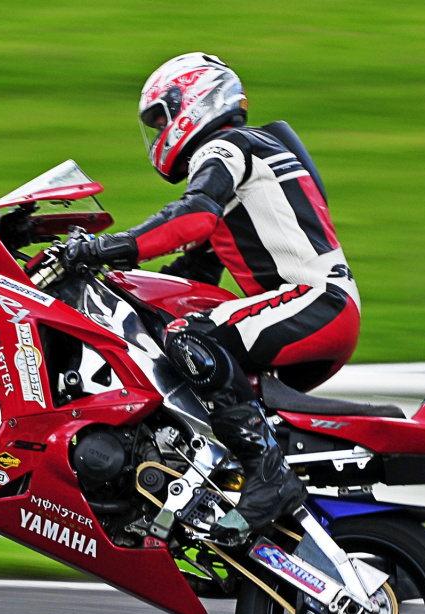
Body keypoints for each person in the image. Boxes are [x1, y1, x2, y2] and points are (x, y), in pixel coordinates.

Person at [53, 53, 360, 545]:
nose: (158, 132)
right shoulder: (248, 156)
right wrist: (119, 287)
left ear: (193, 99)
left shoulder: (227, 147)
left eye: (161, 118)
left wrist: (99, 248)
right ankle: (218, 479)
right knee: (179, 331)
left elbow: (193, 215)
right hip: (314, 305)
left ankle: (269, 474)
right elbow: (192, 270)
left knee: (190, 336)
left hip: (313, 300)